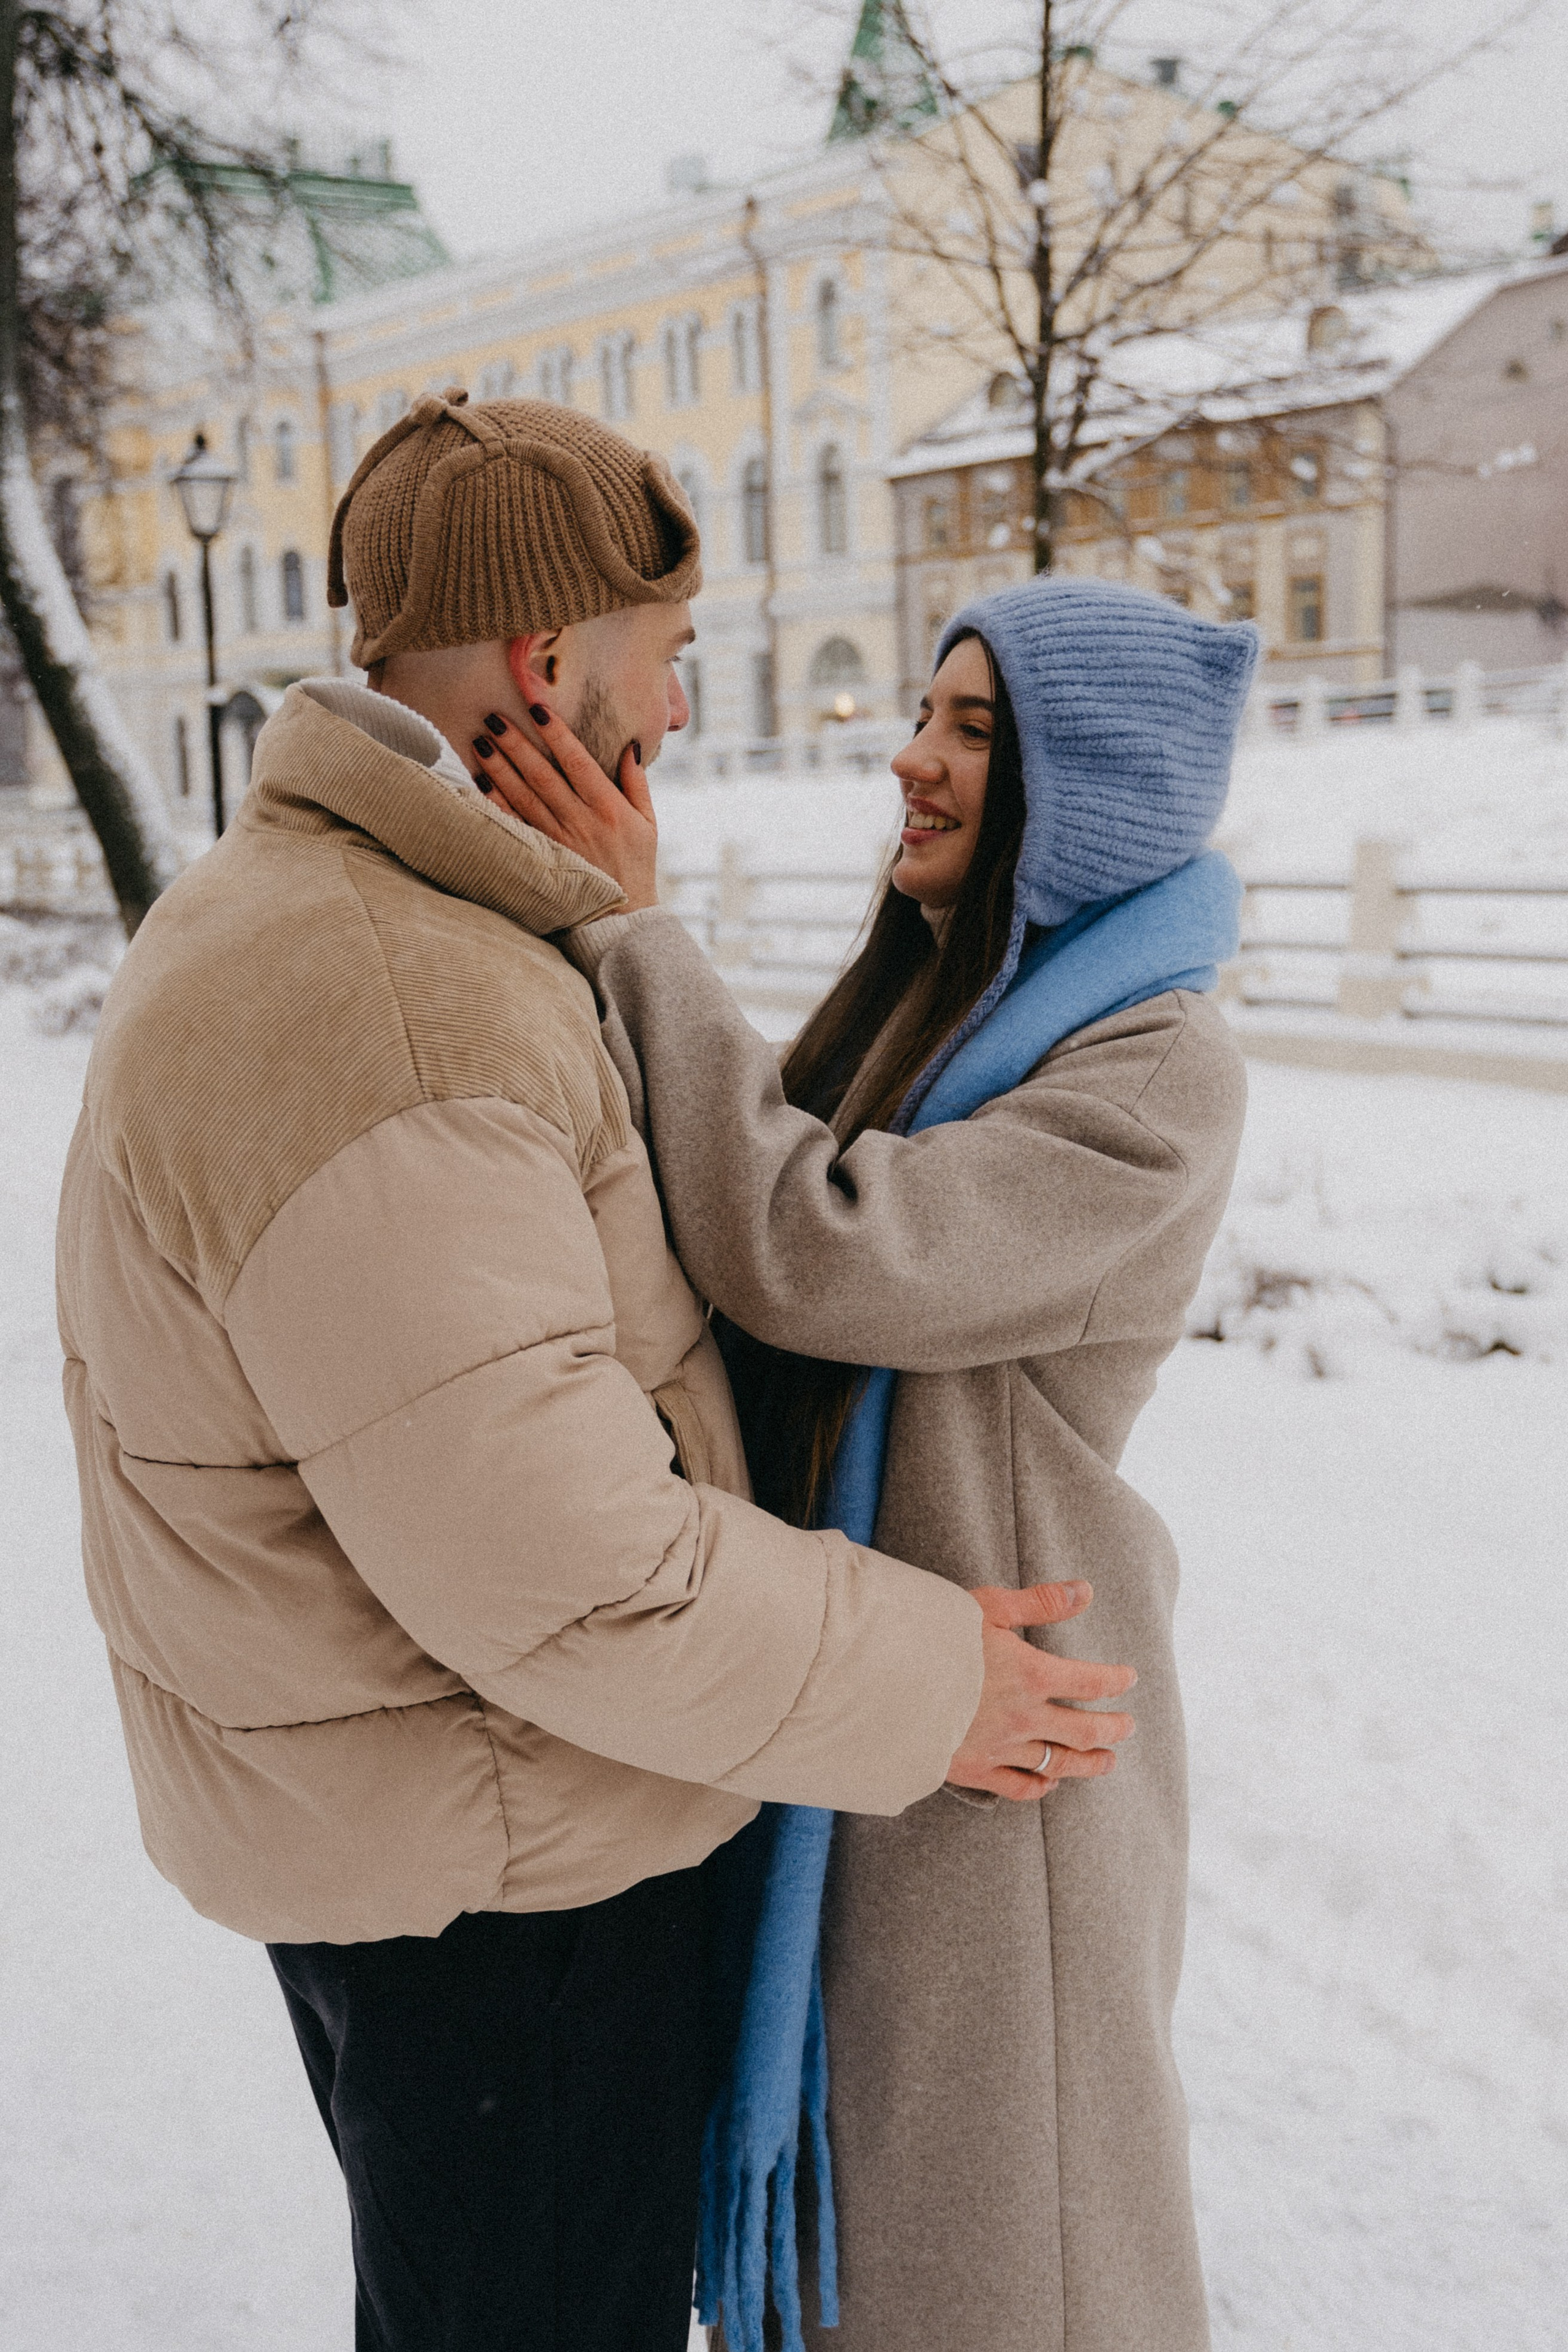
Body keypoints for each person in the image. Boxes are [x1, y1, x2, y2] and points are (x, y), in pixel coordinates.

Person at [54, 394, 1137, 2352]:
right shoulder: (400, 996)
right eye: (666, 660)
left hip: (434, 1848)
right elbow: (569, 1567)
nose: (681, 716)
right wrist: (933, 1680)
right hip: (512, 1892)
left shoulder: (345, 920)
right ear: (546, 664)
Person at [468, 573, 1258, 2352]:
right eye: (927, 714)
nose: (912, 760)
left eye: (974, 730)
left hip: (1007, 1772)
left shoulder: (1154, 1070)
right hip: (889, 1701)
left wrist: (633, 934)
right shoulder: (940, 1011)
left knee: (1008, 2264)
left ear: (1095, 784)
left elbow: (821, 1252)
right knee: (881, 2252)